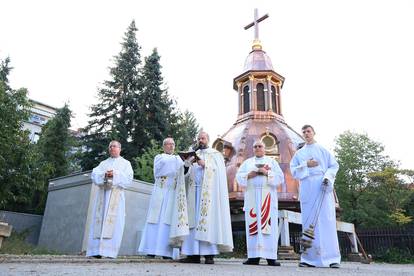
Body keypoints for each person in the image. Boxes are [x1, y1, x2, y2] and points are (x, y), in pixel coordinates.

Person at [290, 125, 340, 268]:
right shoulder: (299, 154)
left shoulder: (322, 150)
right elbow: (293, 170)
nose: (306, 134)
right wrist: (307, 164)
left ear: (314, 133)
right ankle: (308, 258)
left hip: (321, 185)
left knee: (326, 221)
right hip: (307, 187)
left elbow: (334, 166)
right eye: (304, 132)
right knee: (308, 221)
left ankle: (332, 258)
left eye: (308, 131)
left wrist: (328, 178)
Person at [179, 131, 234, 264]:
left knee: (208, 222)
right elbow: (184, 175)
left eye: (203, 138)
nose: (200, 140)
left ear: (208, 140)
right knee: (193, 223)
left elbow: (219, 173)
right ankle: (193, 254)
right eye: (199, 138)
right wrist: (187, 163)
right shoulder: (192, 153)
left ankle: (209, 255)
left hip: (208, 194)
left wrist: (205, 164)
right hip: (193, 191)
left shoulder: (215, 154)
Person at [236, 140, 284, 266]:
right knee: (253, 227)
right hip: (252, 198)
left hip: (267, 199)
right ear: (253, 149)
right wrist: (249, 175)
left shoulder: (272, 162)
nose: (257, 148)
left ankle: (271, 257)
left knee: (269, 227)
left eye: (260, 146)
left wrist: (267, 172)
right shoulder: (247, 163)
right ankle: (253, 256)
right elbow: (239, 177)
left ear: (264, 148)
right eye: (255, 146)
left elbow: (280, 178)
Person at [86, 140, 133, 258]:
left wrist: (115, 174)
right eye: (110, 146)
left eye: (115, 146)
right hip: (103, 196)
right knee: (100, 221)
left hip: (116, 196)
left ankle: (110, 252)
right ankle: (96, 251)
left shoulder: (126, 163)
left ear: (120, 149)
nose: (112, 148)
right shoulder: (103, 163)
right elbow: (95, 174)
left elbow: (128, 179)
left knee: (115, 223)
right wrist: (105, 175)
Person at [138, 138, 184, 259]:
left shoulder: (178, 159)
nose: (170, 146)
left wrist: (186, 164)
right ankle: (151, 250)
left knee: (168, 222)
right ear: (163, 146)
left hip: (172, 193)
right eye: (168, 144)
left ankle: (166, 252)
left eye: (172, 144)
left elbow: (183, 172)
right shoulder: (159, 157)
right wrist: (180, 165)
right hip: (160, 191)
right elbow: (160, 170)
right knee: (155, 220)